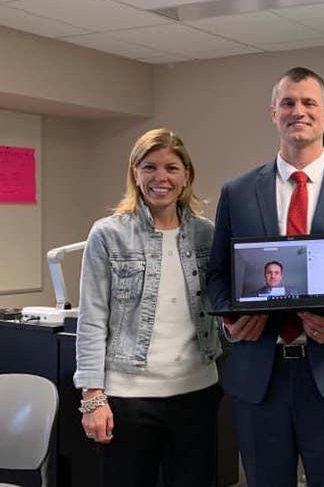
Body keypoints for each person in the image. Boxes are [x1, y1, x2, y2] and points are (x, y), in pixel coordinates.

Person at [207, 66, 324, 486]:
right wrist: (230, 318)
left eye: (309, 103)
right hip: (259, 374)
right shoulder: (238, 191)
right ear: (273, 113)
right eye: (288, 103)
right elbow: (218, 273)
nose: (298, 111)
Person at [73, 128, 222, 487]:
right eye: (149, 167)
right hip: (129, 399)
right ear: (135, 173)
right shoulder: (108, 234)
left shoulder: (206, 233)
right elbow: (92, 319)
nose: (161, 178)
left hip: (197, 393)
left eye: (172, 168)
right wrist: (92, 397)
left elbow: (221, 305)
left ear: (186, 174)